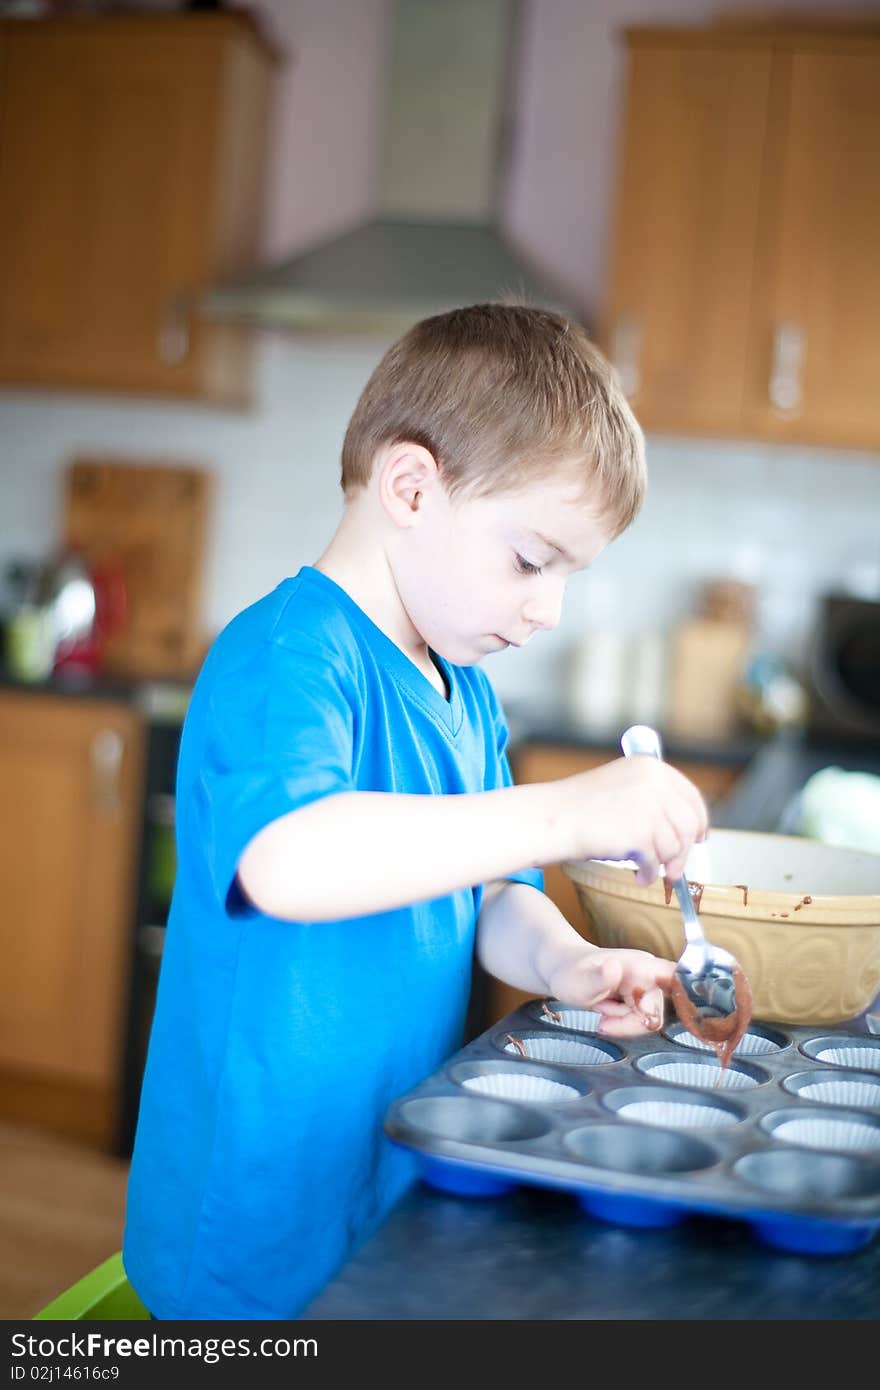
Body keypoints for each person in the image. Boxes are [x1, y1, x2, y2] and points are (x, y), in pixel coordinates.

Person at [122, 302, 708, 1320]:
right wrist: (561, 812)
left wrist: (566, 961)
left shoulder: (464, 692)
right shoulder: (287, 656)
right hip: (251, 1211)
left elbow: (494, 895)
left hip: (382, 1165)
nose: (548, 609)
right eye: (532, 560)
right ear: (409, 487)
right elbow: (289, 861)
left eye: (569, 574)